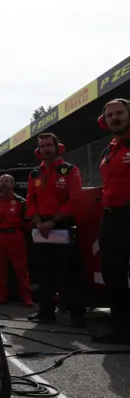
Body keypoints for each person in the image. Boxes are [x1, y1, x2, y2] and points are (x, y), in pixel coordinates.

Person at [26, 133, 85, 327]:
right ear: (38, 150)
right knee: (44, 273)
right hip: (41, 229)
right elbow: (30, 201)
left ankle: (76, 314)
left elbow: (75, 199)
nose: (46, 149)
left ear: (57, 147)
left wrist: (52, 223)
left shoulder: (69, 170)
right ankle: (46, 312)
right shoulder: (34, 174)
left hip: (62, 227)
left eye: (48, 145)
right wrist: (38, 222)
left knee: (68, 273)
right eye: (42, 146)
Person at [95, 98, 130, 343]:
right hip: (112, 218)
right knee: (113, 274)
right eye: (109, 115)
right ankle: (121, 328)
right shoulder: (110, 149)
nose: (114, 118)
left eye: (119, 113)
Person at [0, 174, 33, 306]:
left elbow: (27, 222)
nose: (4, 183)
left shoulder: (21, 202)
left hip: (15, 237)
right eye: (1, 181)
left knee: (21, 268)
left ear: (13, 184)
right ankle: (0, 296)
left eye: (7, 181)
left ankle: (27, 297)